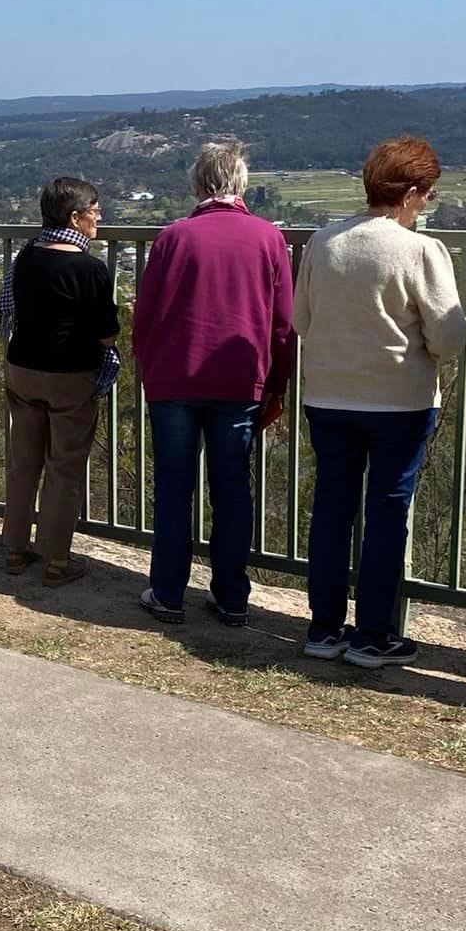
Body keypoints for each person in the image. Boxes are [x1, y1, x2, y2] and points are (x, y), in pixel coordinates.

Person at [292, 138, 466, 668]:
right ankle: (374, 635)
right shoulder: (421, 250)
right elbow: (447, 337)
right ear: (413, 194)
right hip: (399, 401)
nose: (428, 204)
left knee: (330, 509)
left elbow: (301, 321)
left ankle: (324, 629)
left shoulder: (323, 243)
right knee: (387, 512)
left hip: (327, 395)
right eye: (429, 195)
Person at [131, 141, 293, 627]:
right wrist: (277, 384)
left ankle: (167, 591)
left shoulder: (173, 237)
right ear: (241, 185)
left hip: (174, 378)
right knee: (232, 489)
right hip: (240, 380)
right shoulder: (268, 239)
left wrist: (149, 368)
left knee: (175, 486)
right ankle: (231, 595)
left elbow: (144, 317)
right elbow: (282, 325)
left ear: (198, 185)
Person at [0, 177, 120, 586]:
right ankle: (56, 559)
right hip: (69, 376)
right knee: (64, 467)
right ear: (75, 217)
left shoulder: (27, 256)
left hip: (22, 369)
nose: (99, 216)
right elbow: (107, 335)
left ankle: (15, 548)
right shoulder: (89, 268)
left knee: (23, 461)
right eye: (95, 209)